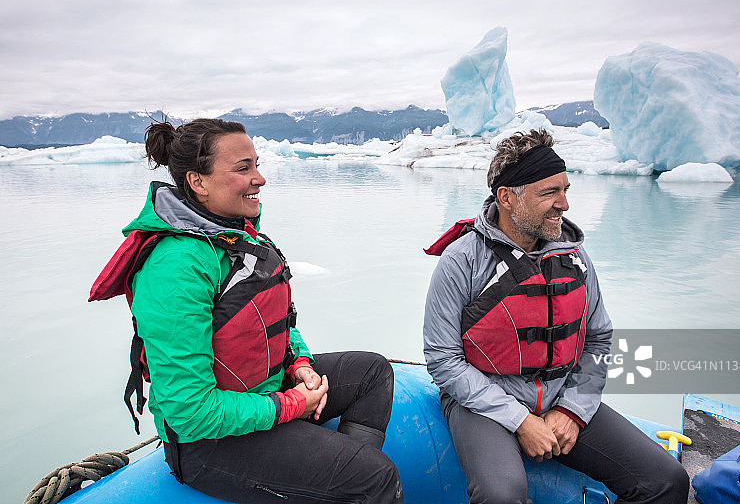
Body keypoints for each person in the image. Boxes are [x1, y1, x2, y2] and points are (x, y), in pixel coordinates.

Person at [90, 118, 403, 504]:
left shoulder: (236, 237)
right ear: (198, 182)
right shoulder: (176, 267)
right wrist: (290, 406)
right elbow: (190, 413)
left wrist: (299, 365)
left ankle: (332, 484)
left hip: (262, 391)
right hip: (209, 443)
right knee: (376, 477)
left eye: (257, 164)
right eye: (243, 168)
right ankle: (352, 481)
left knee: (371, 371)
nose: (260, 179)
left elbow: (275, 321)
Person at [423, 129, 689, 504]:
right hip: (482, 402)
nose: (563, 204)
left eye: (565, 189)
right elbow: (443, 360)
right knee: (501, 495)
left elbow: (597, 339)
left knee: (666, 479)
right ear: (507, 198)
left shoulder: (576, 258)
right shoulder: (462, 262)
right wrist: (520, 420)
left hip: (562, 395)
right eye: (549, 192)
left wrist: (572, 410)